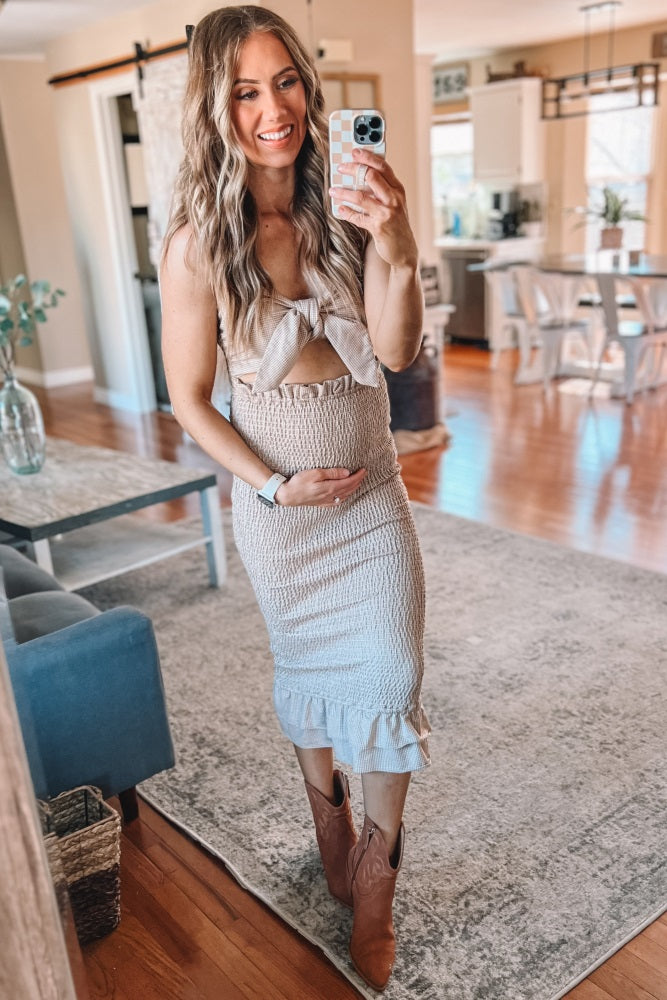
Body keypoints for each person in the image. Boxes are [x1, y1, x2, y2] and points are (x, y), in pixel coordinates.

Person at [160, 6, 430, 991]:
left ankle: (375, 880)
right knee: (309, 674)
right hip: (281, 524)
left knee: (391, 674)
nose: (271, 108)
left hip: (371, 504)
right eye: (244, 90)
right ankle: (327, 823)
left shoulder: (350, 207)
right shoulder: (199, 245)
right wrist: (273, 485)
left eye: (284, 82)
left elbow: (394, 352)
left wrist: (397, 240)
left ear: (308, 90)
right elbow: (191, 400)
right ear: (215, 108)